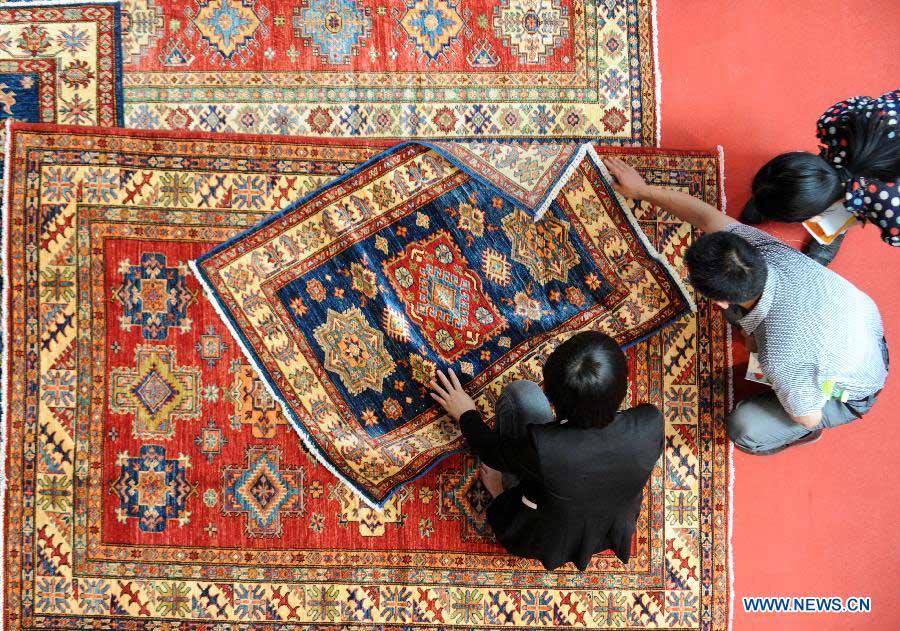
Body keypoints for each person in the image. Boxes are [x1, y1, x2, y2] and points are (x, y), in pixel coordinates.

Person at [603, 156, 888, 456]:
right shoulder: (763, 248)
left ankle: (800, 435)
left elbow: (809, 415)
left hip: (857, 388)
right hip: (861, 322)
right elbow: (704, 216)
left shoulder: (780, 356)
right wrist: (643, 190)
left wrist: (792, 391)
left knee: (744, 428)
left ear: (722, 299)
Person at [428, 331, 662, 571]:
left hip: (548, 534)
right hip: (608, 525)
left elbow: (489, 450)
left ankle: (501, 492)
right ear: (624, 382)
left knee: (521, 394)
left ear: (552, 397)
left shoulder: (544, 448)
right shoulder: (651, 423)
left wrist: (466, 413)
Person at [741, 89, 899, 265]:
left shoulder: (892, 212)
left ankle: (836, 229)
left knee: (858, 210)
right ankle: (807, 190)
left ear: (814, 215)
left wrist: (843, 220)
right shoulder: (838, 123)